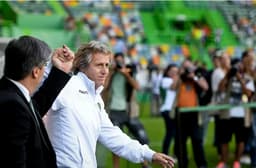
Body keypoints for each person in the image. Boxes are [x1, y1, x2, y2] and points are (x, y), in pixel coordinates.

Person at [44, 41, 176, 168]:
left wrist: (149, 154)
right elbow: (36, 90)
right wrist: (53, 66)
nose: (105, 71)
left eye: (107, 65)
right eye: (99, 65)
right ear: (83, 66)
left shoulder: (95, 98)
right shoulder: (67, 85)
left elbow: (113, 136)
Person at [0, 35, 74, 168]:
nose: (45, 69)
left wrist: (60, 71)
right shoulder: (12, 105)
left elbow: (35, 108)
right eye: (45, 65)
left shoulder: (11, 94)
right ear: (36, 71)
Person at [104, 52, 150, 168]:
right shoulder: (110, 73)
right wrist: (112, 72)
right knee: (116, 141)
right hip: (114, 111)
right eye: (117, 61)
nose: (119, 63)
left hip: (129, 112)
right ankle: (116, 166)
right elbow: (104, 87)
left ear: (124, 61)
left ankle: (144, 163)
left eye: (121, 61)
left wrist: (126, 74)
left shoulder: (129, 72)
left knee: (142, 136)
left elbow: (137, 87)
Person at [217, 50, 255, 168]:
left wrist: (240, 79)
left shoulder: (247, 78)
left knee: (240, 140)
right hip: (227, 113)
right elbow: (220, 89)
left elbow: (248, 93)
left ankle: (236, 162)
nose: (238, 69)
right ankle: (223, 162)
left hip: (242, 115)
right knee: (224, 139)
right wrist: (228, 75)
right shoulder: (228, 77)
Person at [174, 59, 208, 168]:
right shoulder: (180, 79)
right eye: (185, 67)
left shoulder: (196, 77)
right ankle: (183, 164)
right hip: (181, 114)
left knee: (197, 140)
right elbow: (173, 87)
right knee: (180, 142)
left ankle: (201, 164)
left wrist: (193, 76)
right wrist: (181, 74)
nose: (188, 70)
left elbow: (205, 87)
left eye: (189, 67)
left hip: (193, 114)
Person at [159, 64, 179, 155]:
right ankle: (166, 154)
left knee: (175, 133)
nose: (174, 73)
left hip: (174, 110)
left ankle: (174, 153)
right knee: (170, 133)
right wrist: (179, 76)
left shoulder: (174, 80)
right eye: (172, 71)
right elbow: (174, 86)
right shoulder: (165, 80)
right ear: (167, 72)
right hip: (167, 110)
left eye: (176, 71)